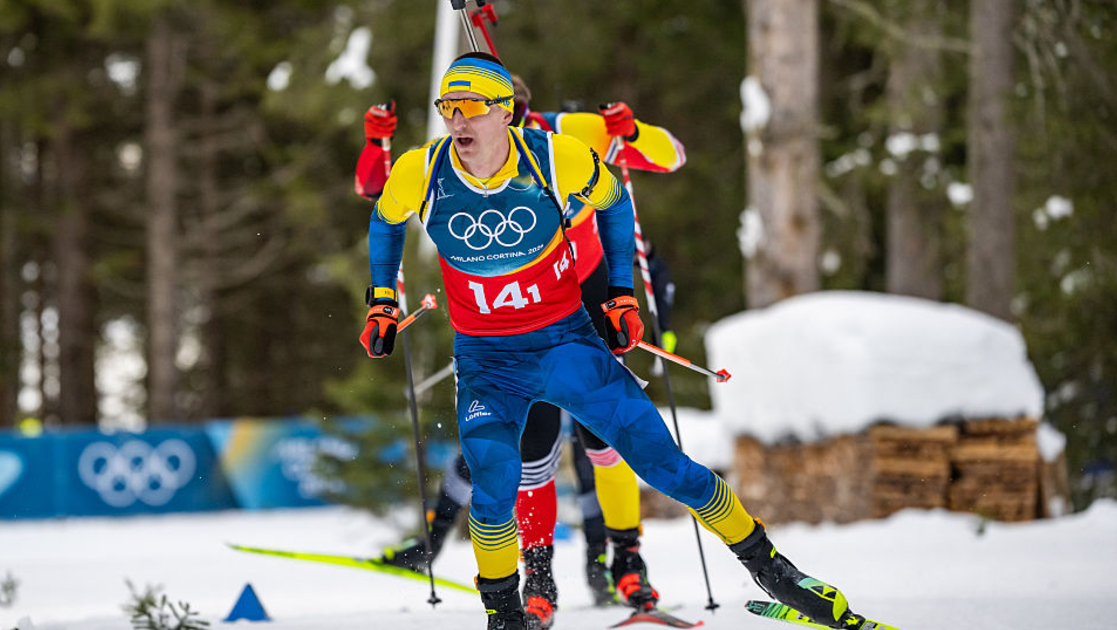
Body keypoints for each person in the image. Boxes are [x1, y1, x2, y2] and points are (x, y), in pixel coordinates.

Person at [360, 52, 866, 630]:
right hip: (487, 359)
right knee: (495, 484)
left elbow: (619, 200)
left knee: (664, 466)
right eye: (447, 109)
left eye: (470, 108)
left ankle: (775, 571)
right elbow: (385, 217)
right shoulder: (421, 170)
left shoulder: (557, 155)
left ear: (506, 113)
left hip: (566, 344)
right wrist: (381, 299)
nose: (456, 121)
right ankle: (505, 615)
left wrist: (621, 293)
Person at [354, 76, 684, 621]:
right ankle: (539, 575)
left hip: (587, 293)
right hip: (512, 317)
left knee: (606, 440)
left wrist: (633, 130)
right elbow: (379, 194)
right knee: (535, 449)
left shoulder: (566, 138)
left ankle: (627, 559)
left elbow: (669, 157)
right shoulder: (460, 156)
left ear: (517, 113)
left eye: (517, 119)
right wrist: (374, 144)